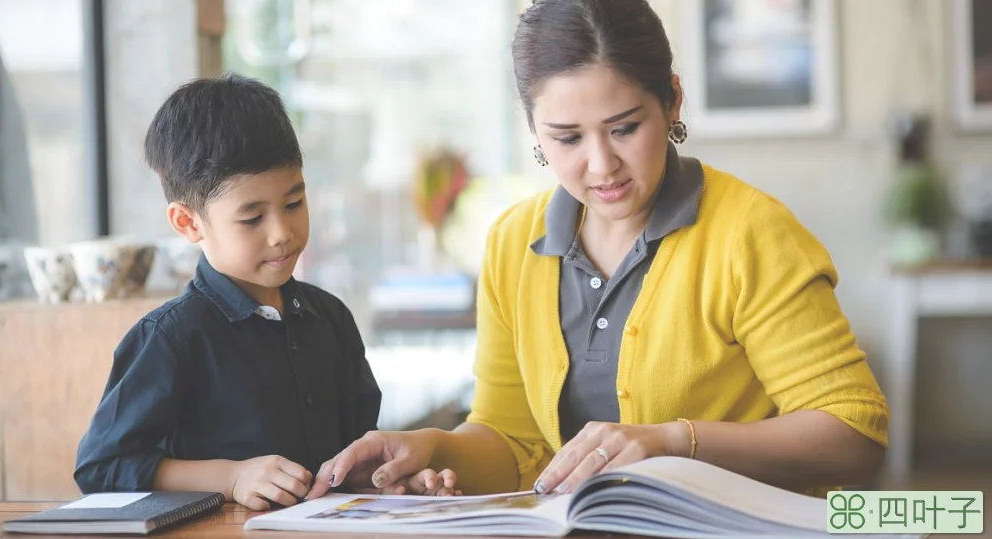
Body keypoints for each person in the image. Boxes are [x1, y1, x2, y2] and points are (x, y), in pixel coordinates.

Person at [305, 0, 889, 500]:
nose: (601, 165)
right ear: (534, 132)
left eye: (625, 128)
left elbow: (856, 435)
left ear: (673, 103)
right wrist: (431, 447)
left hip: (748, 527)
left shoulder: (750, 233)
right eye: (566, 138)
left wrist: (671, 440)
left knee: (952, 516)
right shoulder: (513, 243)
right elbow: (513, 441)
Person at [74, 74, 455, 510]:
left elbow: (348, 460)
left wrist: (382, 477)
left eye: (294, 204)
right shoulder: (171, 337)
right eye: (252, 218)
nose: (282, 233)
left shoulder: (331, 319)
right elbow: (100, 467)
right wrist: (231, 477)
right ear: (188, 223)